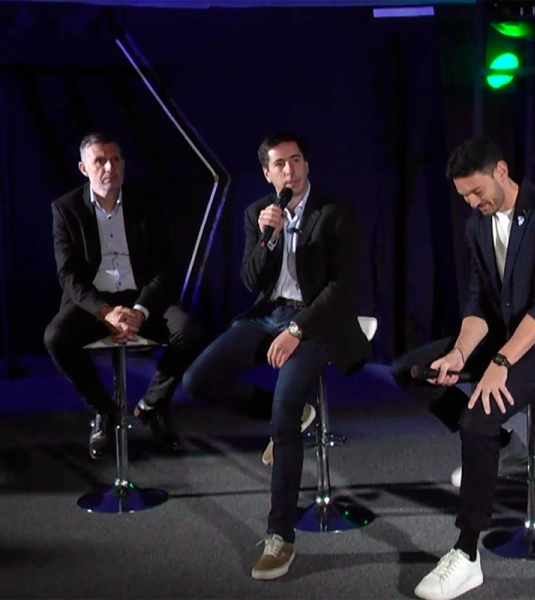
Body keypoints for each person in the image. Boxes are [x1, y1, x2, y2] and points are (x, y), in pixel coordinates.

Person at [392, 138, 535, 600]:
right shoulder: (477, 225)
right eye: (464, 197)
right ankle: (504, 447)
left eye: (477, 192)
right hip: (500, 334)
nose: (473, 203)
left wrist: (501, 362)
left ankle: (467, 553)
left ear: (501, 170)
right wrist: (460, 355)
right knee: (411, 371)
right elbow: (478, 302)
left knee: (476, 422)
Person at [181, 131, 370, 581]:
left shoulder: (336, 212)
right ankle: (296, 412)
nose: (290, 170)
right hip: (268, 314)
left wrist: (297, 329)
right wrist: (270, 236)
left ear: (307, 164)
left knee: (282, 418)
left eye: (296, 160)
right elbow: (251, 281)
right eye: (280, 164)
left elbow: (343, 288)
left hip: (317, 321)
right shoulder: (257, 213)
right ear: (268, 174)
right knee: (197, 380)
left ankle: (280, 536)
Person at [44, 132, 204, 459]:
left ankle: (153, 406)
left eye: (115, 160)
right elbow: (68, 276)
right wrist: (106, 312)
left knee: (188, 332)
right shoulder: (66, 209)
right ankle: (104, 411)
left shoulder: (147, 203)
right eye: (100, 161)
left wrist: (140, 311)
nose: (109, 167)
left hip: (142, 298)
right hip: (95, 303)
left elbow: (165, 269)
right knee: (56, 338)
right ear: (84, 168)